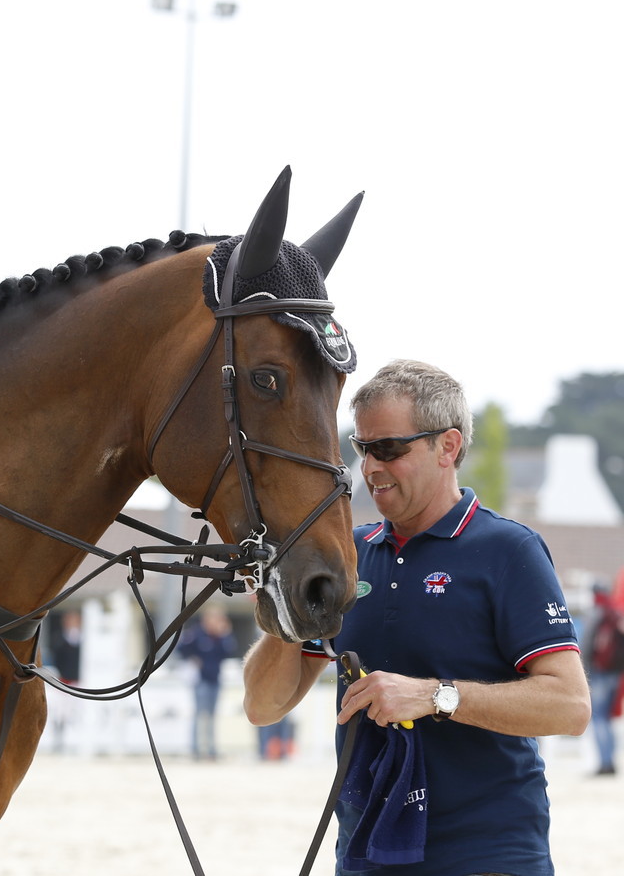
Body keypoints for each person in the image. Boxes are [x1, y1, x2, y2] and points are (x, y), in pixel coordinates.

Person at [243, 359, 591, 876]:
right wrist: (283, 614)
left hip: (487, 854)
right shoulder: (347, 553)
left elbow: (570, 706)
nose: (370, 467)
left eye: (388, 449)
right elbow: (262, 707)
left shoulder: (508, 549)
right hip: (365, 851)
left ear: (447, 447)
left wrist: (434, 696)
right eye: (362, 449)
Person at [179, 606, 236, 760]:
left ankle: (211, 750)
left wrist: (226, 634)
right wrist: (193, 659)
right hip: (201, 680)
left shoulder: (220, 636)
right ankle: (195, 750)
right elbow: (182, 648)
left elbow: (229, 651)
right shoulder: (197, 633)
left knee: (211, 716)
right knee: (199, 715)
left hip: (215, 679)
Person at [582, 581, 624, 775]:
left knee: (598, 718)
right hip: (615, 672)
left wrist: (585, 671)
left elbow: (587, 644)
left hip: (599, 673)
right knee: (606, 718)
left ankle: (604, 763)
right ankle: (611, 761)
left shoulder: (597, 613)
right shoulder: (615, 613)